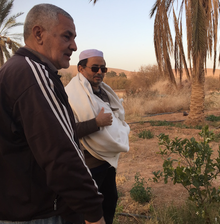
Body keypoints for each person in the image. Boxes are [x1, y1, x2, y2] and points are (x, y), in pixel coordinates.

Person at [0, 4, 105, 224]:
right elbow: (60, 154)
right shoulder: (32, 73)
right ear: (39, 34)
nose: (74, 46)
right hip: (40, 213)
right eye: (67, 36)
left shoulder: (15, 69)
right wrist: (93, 212)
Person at [65, 49, 130, 224]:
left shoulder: (104, 92)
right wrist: (96, 123)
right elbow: (66, 131)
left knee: (110, 203)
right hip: (88, 166)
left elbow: (116, 118)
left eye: (103, 69)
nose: (100, 72)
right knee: (89, 212)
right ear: (80, 68)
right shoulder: (70, 96)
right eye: (95, 68)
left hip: (108, 162)